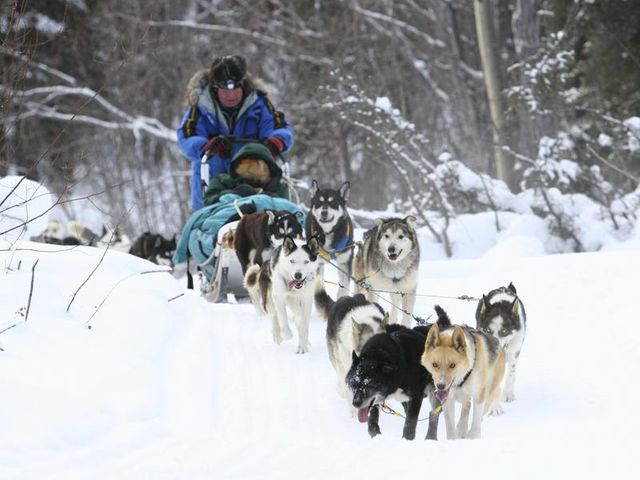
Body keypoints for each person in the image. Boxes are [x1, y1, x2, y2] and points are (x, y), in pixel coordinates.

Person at [177, 55, 294, 210]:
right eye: (225, 90)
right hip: (212, 193)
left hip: (256, 189)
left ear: (243, 86)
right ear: (215, 87)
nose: (231, 96)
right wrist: (206, 146)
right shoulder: (200, 107)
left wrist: (277, 141)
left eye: (236, 89)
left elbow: (278, 126)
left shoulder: (259, 104)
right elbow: (187, 136)